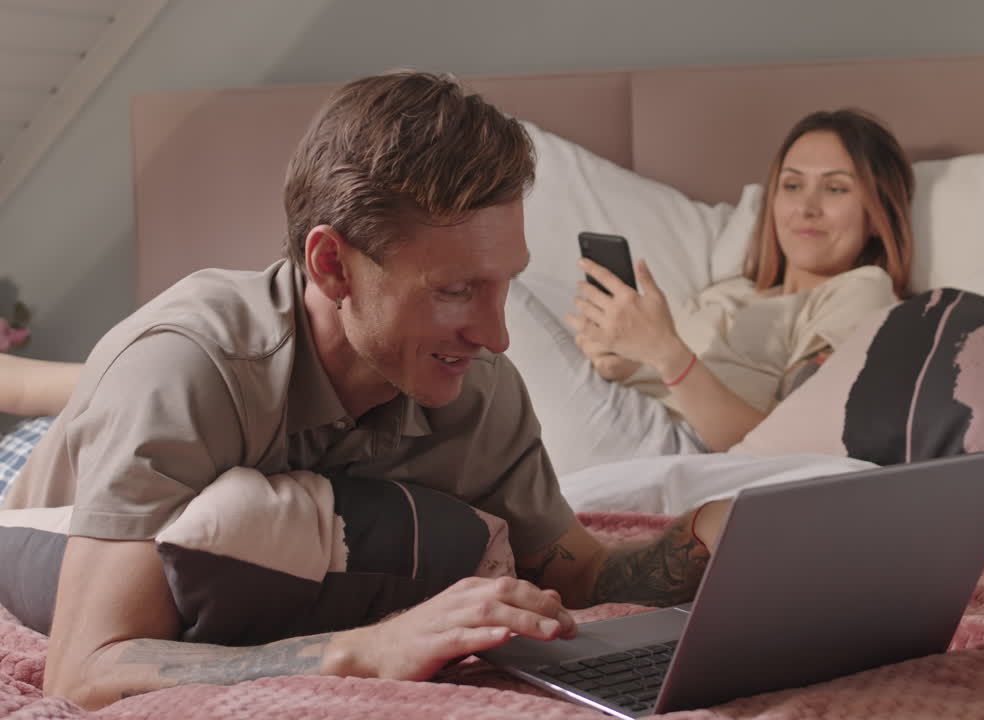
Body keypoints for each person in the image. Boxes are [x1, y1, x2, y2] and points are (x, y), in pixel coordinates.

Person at [0, 71, 730, 711]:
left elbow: (584, 572)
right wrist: (364, 650)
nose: (497, 336)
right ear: (332, 266)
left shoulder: (480, 392)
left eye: (504, 285)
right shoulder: (188, 371)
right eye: (454, 291)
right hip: (42, 496)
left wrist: (704, 540)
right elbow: (83, 669)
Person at [507, 108, 914, 474]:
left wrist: (668, 355)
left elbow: (799, 454)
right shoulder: (733, 290)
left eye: (836, 188)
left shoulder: (860, 291)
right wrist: (623, 362)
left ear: (878, 212)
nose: (806, 207)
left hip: (689, 454)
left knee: (494, 290)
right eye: (791, 186)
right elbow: (670, 375)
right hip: (632, 421)